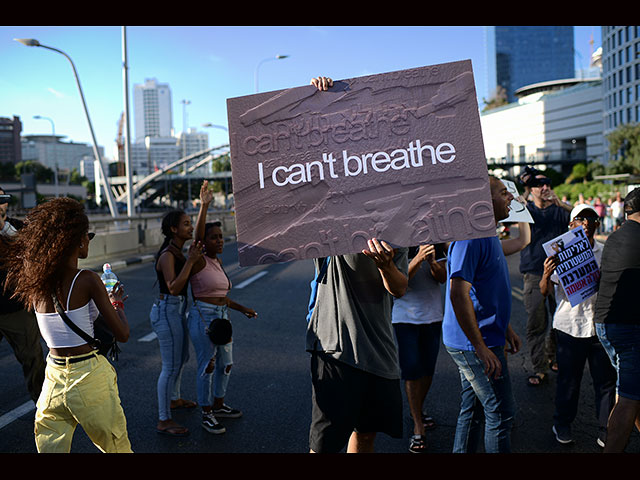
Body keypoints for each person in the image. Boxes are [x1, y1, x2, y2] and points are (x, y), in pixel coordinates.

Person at [306, 71, 409, 456]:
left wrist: (386, 267)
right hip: (334, 348)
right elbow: (309, 162)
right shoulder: (329, 209)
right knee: (326, 443)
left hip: (379, 348)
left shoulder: (398, 216)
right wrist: (322, 104)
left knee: (365, 435)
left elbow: (400, 287)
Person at [0, 197, 132, 453]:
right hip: (88, 377)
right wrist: (116, 303)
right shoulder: (87, 279)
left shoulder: (34, 280)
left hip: (53, 379)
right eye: (87, 235)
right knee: (116, 448)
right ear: (77, 240)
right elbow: (123, 333)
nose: (88, 241)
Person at [442, 175, 522, 453]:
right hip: (474, 343)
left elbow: (487, 290)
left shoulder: (488, 232)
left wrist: (506, 328)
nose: (510, 196)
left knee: (474, 409)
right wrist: (479, 347)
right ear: (484, 201)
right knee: (501, 412)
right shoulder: (471, 237)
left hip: (486, 337)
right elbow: (458, 293)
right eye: (503, 193)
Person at [539, 204, 616, 447]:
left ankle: (606, 427)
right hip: (569, 327)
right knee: (568, 381)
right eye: (580, 219)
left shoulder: (606, 252)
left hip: (598, 327)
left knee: (605, 381)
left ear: (596, 224)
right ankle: (562, 423)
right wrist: (545, 274)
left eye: (590, 218)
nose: (585, 222)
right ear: (570, 225)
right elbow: (544, 291)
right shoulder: (558, 253)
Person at [187, 181, 257, 435]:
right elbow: (195, 239)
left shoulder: (216, 264)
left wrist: (243, 308)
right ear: (204, 242)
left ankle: (219, 404)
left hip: (222, 317)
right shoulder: (198, 260)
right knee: (208, 365)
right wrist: (204, 206)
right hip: (203, 319)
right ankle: (206, 413)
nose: (220, 241)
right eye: (213, 238)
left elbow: (223, 297)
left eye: (221, 237)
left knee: (226, 363)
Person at [594, 188, 640, 452]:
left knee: (634, 391)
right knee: (629, 398)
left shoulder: (615, 236)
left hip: (606, 325)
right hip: (629, 327)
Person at [151, 209, 203, 436]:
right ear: (174, 229)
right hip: (168, 310)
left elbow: (199, 242)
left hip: (178, 309)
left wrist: (204, 205)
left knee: (182, 357)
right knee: (170, 366)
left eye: (190, 223)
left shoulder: (178, 252)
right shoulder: (168, 255)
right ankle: (164, 419)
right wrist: (190, 261)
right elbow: (173, 287)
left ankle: (175, 399)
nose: (190, 227)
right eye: (186, 224)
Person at [518, 167, 571, 386]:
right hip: (534, 273)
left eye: (548, 183)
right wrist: (522, 198)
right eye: (540, 184)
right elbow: (506, 212)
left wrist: (561, 203)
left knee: (561, 321)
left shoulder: (559, 210)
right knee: (537, 324)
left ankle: (554, 357)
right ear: (531, 189)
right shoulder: (525, 210)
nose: (546, 187)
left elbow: (583, 218)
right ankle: (538, 368)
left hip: (561, 274)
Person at [391, 243, 447, 453]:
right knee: (412, 370)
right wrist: (417, 258)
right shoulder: (396, 241)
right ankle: (417, 424)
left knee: (427, 370)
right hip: (404, 316)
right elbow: (396, 284)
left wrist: (432, 261)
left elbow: (442, 278)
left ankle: (418, 410)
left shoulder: (437, 240)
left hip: (432, 314)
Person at [0, 188, 45, 404]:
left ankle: (45, 409)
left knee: (33, 359)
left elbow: (33, 252)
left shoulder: (16, 227)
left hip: (16, 308)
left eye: (3, 199)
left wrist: (3, 228)